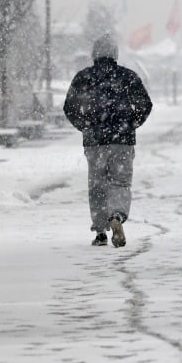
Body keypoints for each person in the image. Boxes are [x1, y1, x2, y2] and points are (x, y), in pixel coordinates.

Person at [63, 34, 153, 248]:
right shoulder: (128, 76)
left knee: (97, 185)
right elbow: (145, 105)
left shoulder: (83, 78)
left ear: (94, 54)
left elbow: (70, 107)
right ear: (115, 54)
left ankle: (101, 231)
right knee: (120, 182)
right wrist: (131, 124)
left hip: (95, 142)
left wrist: (85, 126)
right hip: (122, 140)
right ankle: (117, 216)